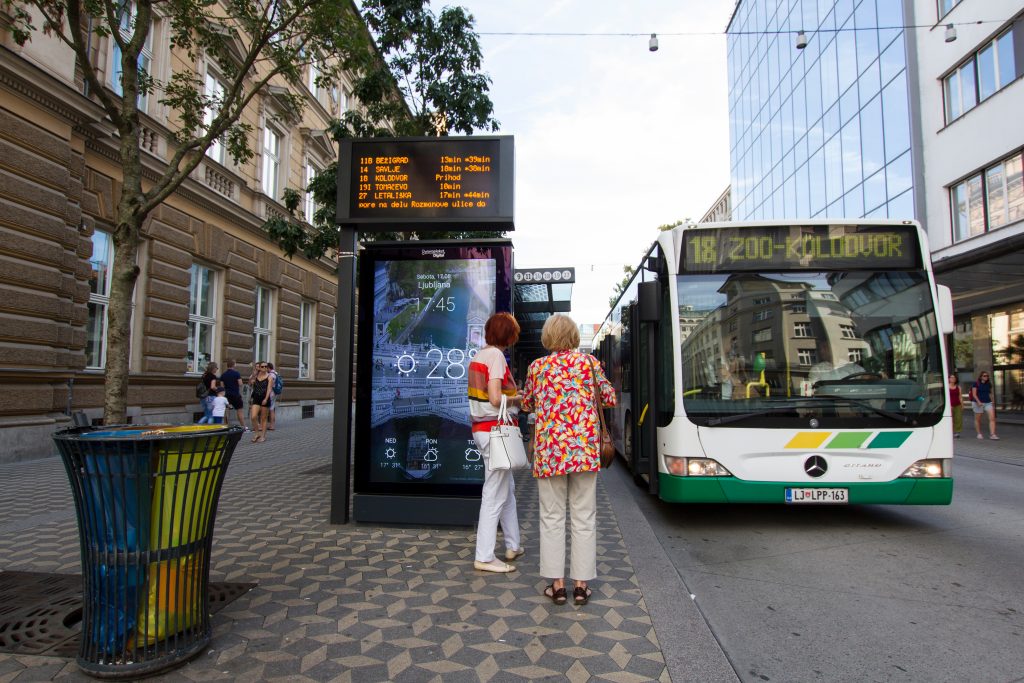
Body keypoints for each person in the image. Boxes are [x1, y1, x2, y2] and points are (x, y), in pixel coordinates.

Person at [521, 313, 616, 606]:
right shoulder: (589, 363)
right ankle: (581, 585)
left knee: (551, 517)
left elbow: (526, 404)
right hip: (584, 452)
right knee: (583, 516)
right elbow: (610, 397)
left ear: (547, 337)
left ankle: (557, 585)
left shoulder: (537, 367)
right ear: (574, 336)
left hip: (550, 453)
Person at [468, 312, 524, 573]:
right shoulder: (497, 356)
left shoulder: (479, 356)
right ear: (509, 335)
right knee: (495, 493)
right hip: (495, 430)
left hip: (482, 429)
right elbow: (494, 398)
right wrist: (518, 399)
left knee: (506, 488)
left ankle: (513, 544)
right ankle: (485, 556)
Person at [219, 358, 247, 430]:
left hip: (227, 395)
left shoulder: (223, 375)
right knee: (239, 410)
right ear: (234, 365)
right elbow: (240, 384)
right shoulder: (236, 373)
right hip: (235, 395)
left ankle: (226, 427)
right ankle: (243, 427)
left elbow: (222, 386)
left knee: (226, 411)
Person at [969, 371, 998, 440]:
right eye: (984, 376)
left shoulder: (988, 384)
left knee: (992, 418)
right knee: (978, 419)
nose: (986, 377)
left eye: (987, 376)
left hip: (988, 402)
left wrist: (992, 401)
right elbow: (974, 394)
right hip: (978, 403)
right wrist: (978, 402)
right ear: (981, 377)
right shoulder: (976, 384)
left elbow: (990, 393)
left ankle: (992, 434)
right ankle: (979, 433)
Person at [249, 361, 272, 443]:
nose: (265, 368)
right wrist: (252, 380)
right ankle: (257, 433)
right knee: (253, 417)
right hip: (256, 398)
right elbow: (250, 384)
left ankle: (263, 436)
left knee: (263, 418)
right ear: (259, 367)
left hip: (264, 398)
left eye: (266, 366)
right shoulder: (255, 376)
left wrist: (266, 399)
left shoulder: (269, 377)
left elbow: (269, 389)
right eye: (262, 366)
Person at [948, 374, 963, 439]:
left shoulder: (958, 387)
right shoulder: (946, 387)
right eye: (951, 377)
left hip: (957, 404)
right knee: (950, 419)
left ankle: (957, 432)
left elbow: (960, 396)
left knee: (958, 418)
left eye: (954, 378)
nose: (953, 379)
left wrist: (962, 405)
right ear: (949, 379)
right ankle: (950, 431)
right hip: (949, 405)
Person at [267, 362, 280, 431]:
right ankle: (272, 425)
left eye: (266, 368)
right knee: (272, 409)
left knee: (268, 409)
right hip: (275, 393)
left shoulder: (271, 375)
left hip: (270, 393)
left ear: (268, 368)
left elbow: (269, 385)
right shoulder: (276, 373)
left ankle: (270, 425)